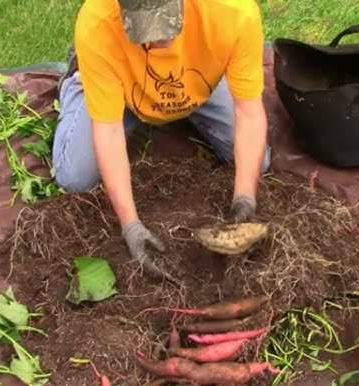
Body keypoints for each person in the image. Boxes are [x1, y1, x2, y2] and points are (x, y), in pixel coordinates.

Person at [52, 0, 271, 270]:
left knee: (257, 164)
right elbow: (107, 129)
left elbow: (248, 113)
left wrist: (245, 199)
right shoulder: (98, 22)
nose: (157, 39)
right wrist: (130, 224)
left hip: (194, 80)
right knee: (73, 178)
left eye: (164, 22)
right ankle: (81, 81)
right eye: (145, 27)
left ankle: (191, 91)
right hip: (123, 89)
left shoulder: (233, 12)